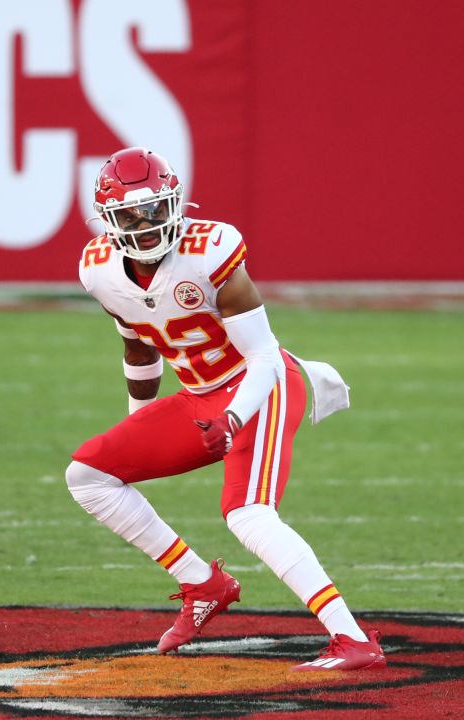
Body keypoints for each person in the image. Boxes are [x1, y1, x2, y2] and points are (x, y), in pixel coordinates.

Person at [67, 147, 385, 671]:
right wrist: (135, 424)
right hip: (199, 397)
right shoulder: (99, 269)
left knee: (248, 514)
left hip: (259, 386)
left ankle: (352, 640)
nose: (146, 227)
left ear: (177, 206)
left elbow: (263, 354)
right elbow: (139, 348)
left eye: (156, 212)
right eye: (131, 217)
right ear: (108, 222)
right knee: (89, 476)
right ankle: (201, 582)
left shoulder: (211, 250)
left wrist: (234, 417)